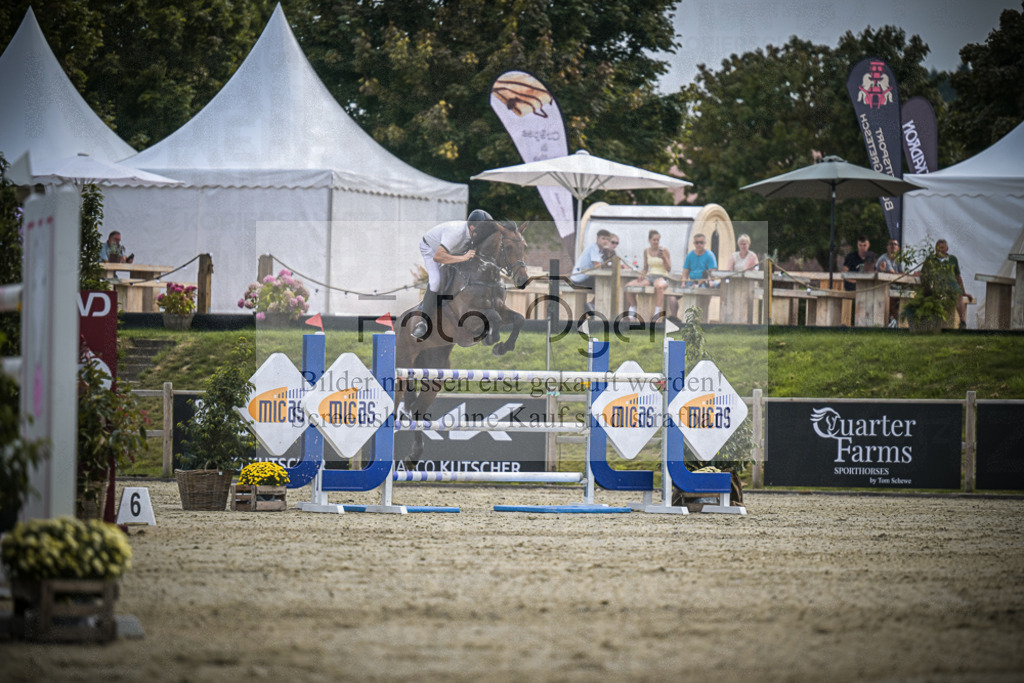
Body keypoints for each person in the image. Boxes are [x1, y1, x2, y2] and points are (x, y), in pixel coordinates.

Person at [411, 209, 495, 339]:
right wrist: (464, 258)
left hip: (453, 249)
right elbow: (438, 257)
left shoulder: (473, 233)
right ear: (472, 228)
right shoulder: (455, 233)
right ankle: (423, 322)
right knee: (435, 281)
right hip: (431, 249)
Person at [625, 229, 675, 321]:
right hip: (650, 276)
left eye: (657, 240)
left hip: (662, 275)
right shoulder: (646, 251)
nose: (656, 242)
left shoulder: (664, 250)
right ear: (649, 240)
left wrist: (663, 257)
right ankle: (633, 307)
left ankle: (657, 311)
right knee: (628, 286)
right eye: (654, 240)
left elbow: (668, 269)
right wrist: (642, 274)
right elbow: (645, 267)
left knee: (658, 286)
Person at [929, 238, 974, 329]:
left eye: (942, 248)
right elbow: (925, 273)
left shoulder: (953, 259)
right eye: (938, 247)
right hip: (938, 285)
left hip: (952, 285)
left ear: (947, 249)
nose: (939, 250)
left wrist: (964, 292)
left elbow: (958, 277)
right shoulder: (931, 259)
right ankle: (935, 323)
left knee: (958, 294)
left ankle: (962, 321)